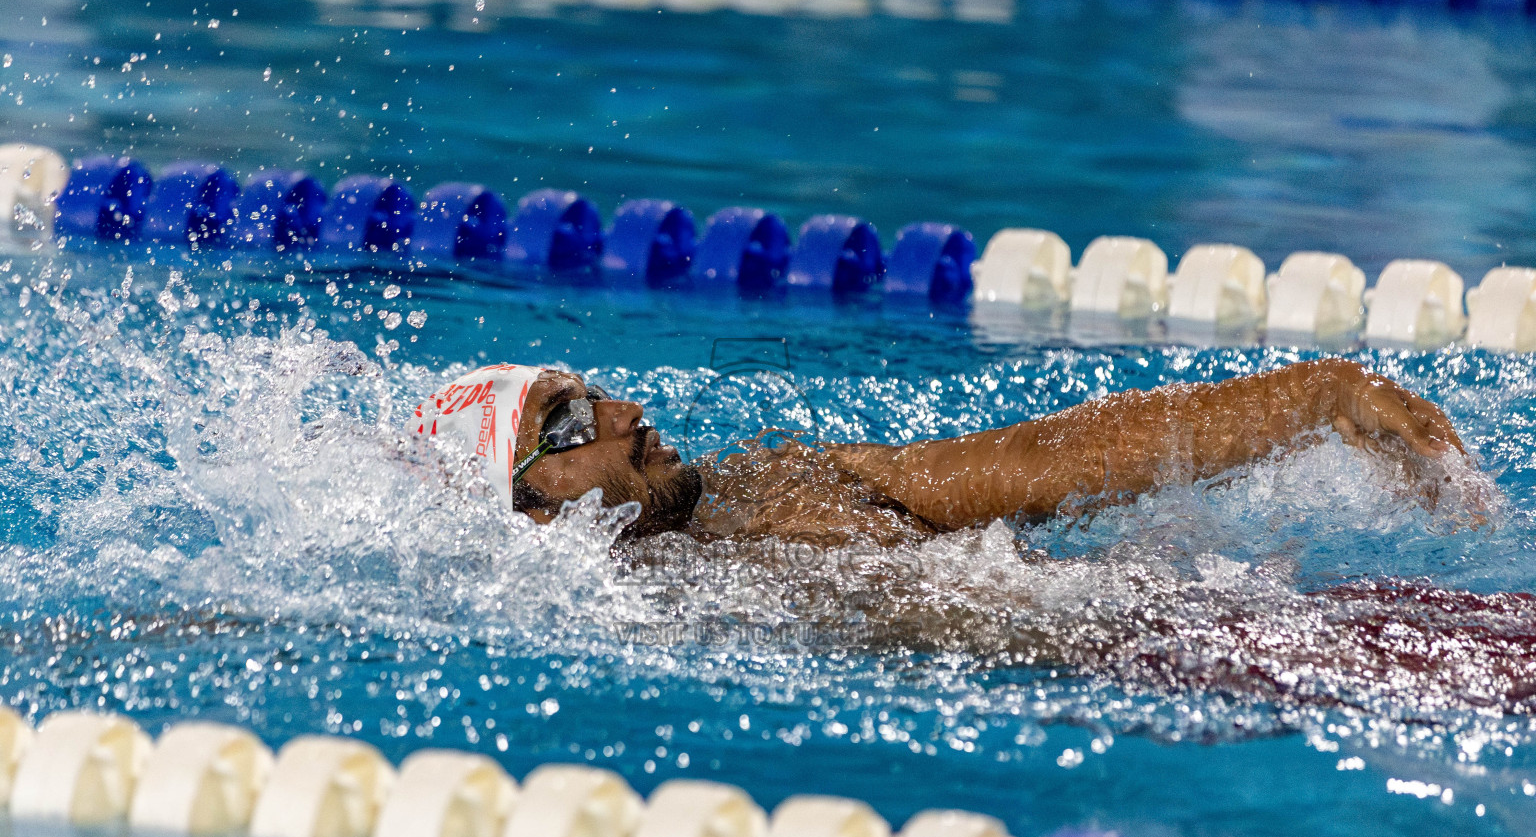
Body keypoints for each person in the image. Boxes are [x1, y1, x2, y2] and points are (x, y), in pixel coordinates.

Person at [411, 358, 1468, 545]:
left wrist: (1315, 395)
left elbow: (1046, 459)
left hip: (1180, 625)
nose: (624, 410)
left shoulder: (790, 477)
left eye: (588, 388)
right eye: (568, 422)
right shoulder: (634, 623)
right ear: (533, 508)